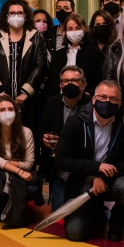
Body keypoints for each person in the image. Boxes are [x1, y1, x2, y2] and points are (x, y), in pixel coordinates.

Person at [55, 80, 124, 241]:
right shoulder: (76, 121)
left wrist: (103, 176)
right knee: (75, 233)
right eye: (102, 97)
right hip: (82, 181)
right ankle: (94, 211)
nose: (107, 102)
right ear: (93, 99)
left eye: (113, 99)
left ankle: (116, 222)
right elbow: (61, 160)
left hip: (112, 178)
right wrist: (96, 168)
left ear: (120, 103)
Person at [0, 0, 47, 133]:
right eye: (12, 13)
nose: (16, 16)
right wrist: (0, 93)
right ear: (6, 16)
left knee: (28, 138)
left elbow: (40, 66)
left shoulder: (36, 37)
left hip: (29, 102)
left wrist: (24, 94)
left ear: (26, 15)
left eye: (20, 12)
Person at [0, 94, 38, 226]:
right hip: (0, 174)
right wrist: (19, 170)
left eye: (11, 109)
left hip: (15, 175)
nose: (7, 113)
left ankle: (16, 206)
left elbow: (29, 163)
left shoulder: (26, 132)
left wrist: (5, 163)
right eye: (2, 110)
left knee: (33, 189)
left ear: (16, 112)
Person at [38, 65, 93, 209]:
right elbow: (42, 128)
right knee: (60, 210)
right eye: (65, 81)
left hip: (85, 166)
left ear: (84, 84)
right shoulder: (52, 102)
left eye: (74, 80)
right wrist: (43, 138)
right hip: (61, 167)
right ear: (60, 84)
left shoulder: (93, 105)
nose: (69, 84)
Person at [48, 13, 103, 97]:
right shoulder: (58, 55)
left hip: (85, 100)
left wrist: (88, 93)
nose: (74, 32)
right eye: (70, 29)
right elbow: (52, 82)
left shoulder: (95, 53)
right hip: (61, 100)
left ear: (84, 29)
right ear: (65, 32)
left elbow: (100, 80)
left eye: (77, 28)